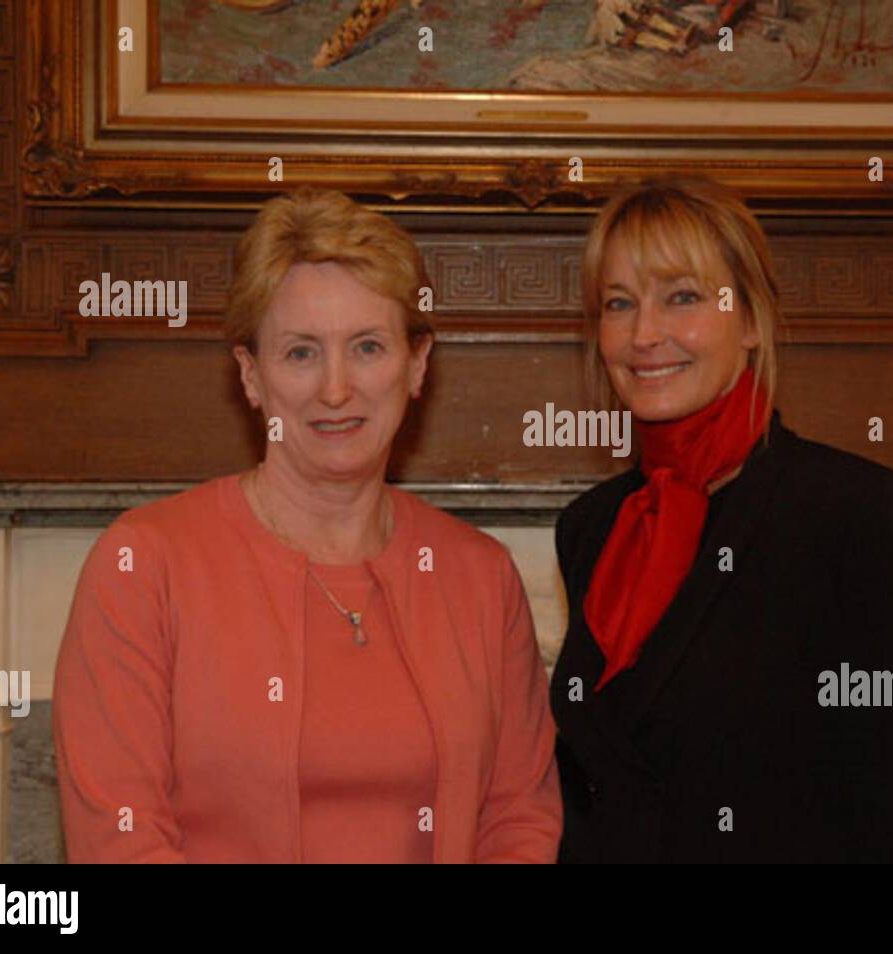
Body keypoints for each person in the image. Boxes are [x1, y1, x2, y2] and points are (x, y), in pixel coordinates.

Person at [54, 187, 562, 863]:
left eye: (368, 347)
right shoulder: (143, 565)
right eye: (300, 353)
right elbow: (120, 840)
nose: (334, 389)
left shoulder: (480, 575)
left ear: (417, 366)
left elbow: (519, 819)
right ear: (251, 375)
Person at [550, 177, 893, 862]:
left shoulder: (862, 518)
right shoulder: (593, 528)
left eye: (681, 297)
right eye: (618, 304)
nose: (643, 334)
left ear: (750, 320)